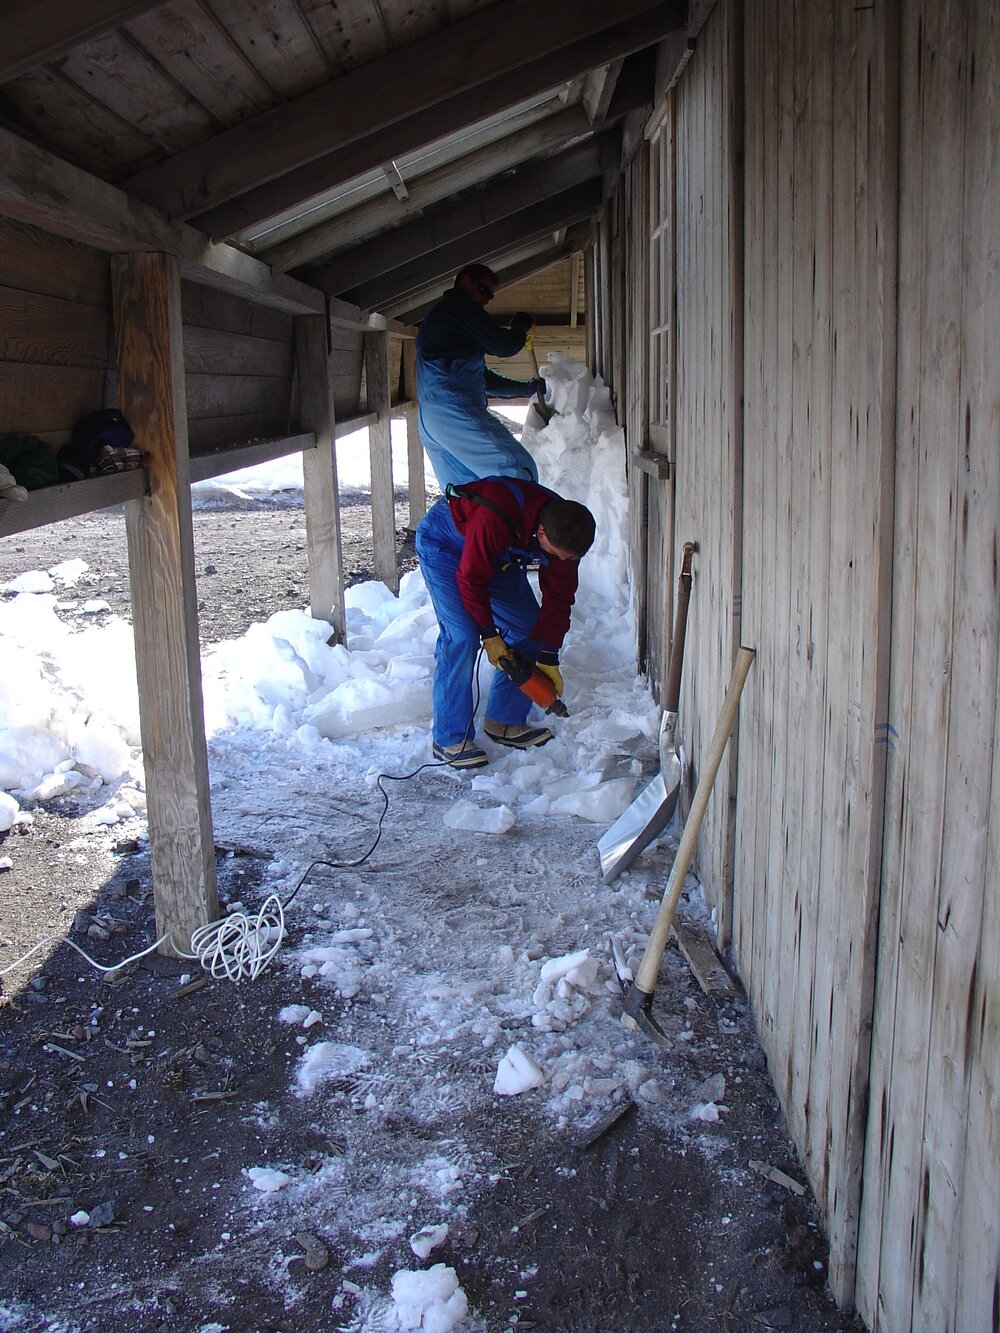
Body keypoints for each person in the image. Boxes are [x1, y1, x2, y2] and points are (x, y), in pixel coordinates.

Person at [415, 475, 596, 769]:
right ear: (540, 533)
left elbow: (559, 598)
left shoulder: (567, 534)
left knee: (527, 629)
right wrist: (489, 635)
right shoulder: (497, 511)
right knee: (462, 635)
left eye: (567, 558)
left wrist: (549, 655)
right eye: (554, 555)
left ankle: (504, 720)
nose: (561, 560)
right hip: (447, 546)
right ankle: (449, 738)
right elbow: (471, 578)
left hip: (497, 555)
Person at [415, 264, 546, 490]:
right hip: (452, 409)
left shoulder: (446, 325)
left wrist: (524, 389)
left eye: (490, 296)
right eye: (483, 290)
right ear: (465, 280)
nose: (486, 300)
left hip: (431, 419)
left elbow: (486, 381)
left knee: (464, 494)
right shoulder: (458, 307)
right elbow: (503, 345)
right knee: (519, 472)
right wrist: (520, 327)